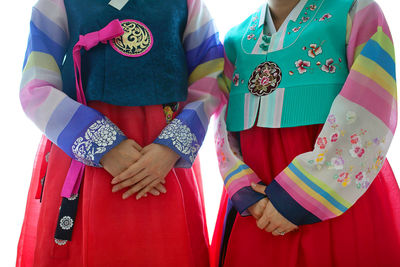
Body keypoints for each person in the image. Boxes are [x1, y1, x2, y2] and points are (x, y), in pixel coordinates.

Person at [17, 0, 224, 266]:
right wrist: (104, 146)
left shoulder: (188, 4)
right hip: (83, 147)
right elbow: (36, 86)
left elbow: (213, 76)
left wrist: (170, 148)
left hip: (163, 157)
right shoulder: (56, 3)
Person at [212, 0, 400, 266]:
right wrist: (243, 189)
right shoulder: (235, 38)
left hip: (334, 194)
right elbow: (221, 123)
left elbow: (372, 106)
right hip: (257, 205)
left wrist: (297, 198)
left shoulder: (355, 11)